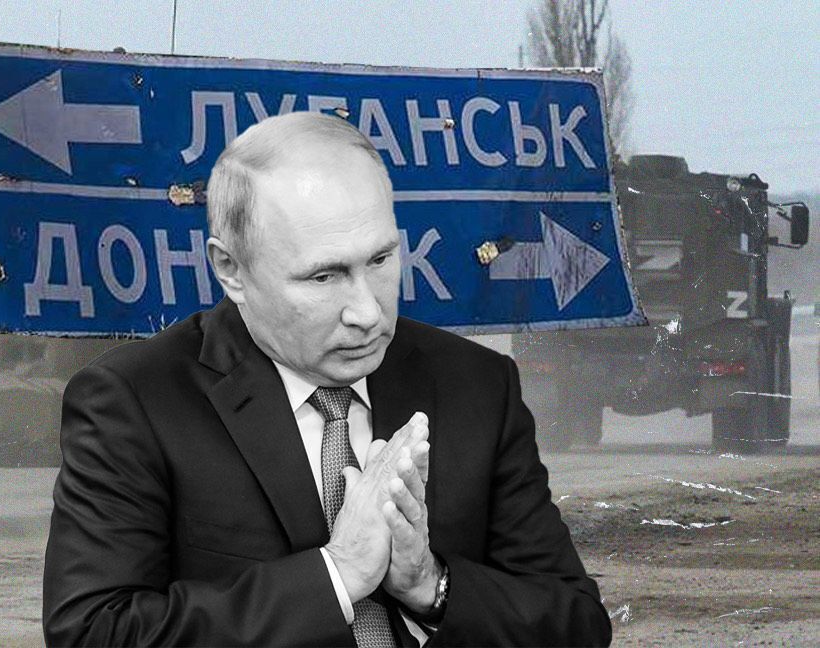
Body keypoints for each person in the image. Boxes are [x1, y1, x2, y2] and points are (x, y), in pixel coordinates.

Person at [42, 112, 612, 646]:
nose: (367, 311)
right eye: (324, 276)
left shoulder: (476, 385)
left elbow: (577, 624)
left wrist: (429, 584)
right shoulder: (136, 401)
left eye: (381, 260)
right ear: (230, 269)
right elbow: (93, 631)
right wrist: (336, 575)